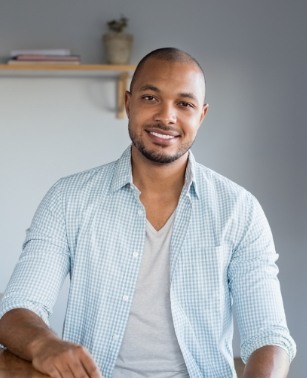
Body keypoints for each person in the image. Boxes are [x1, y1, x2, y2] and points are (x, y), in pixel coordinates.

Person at [0, 47, 296, 378]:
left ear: (202, 114)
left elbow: (268, 337)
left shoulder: (240, 211)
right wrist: (44, 345)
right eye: (151, 98)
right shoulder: (68, 199)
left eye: (184, 104)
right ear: (129, 103)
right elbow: (17, 308)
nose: (166, 117)